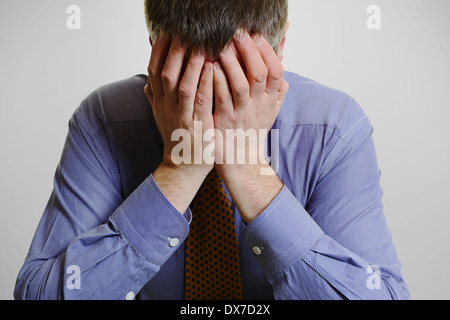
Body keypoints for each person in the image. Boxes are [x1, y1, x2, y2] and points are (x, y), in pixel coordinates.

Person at [14, 0, 410, 300]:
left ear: (281, 47)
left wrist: (248, 171)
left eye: (238, 84)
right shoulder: (105, 119)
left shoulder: (333, 128)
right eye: (191, 82)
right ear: (155, 53)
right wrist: (180, 170)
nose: (208, 105)